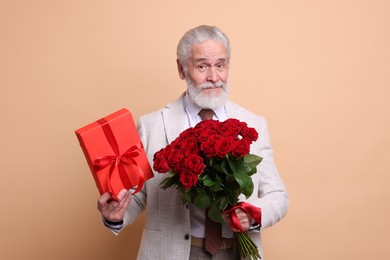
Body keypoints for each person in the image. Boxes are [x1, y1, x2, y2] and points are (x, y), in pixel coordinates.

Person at [97, 25, 289, 260]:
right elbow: (137, 196)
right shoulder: (152, 124)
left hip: (236, 252)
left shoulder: (253, 124)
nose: (214, 77)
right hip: (172, 253)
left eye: (220, 65)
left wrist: (255, 215)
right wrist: (115, 215)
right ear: (181, 69)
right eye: (202, 66)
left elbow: (278, 195)